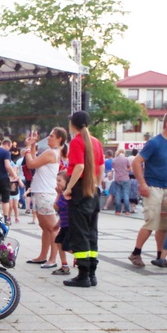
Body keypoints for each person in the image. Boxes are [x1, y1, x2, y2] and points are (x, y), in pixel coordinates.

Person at [128, 111, 167, 268]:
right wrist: (142, 184)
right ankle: (136, 253)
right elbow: (136, 162)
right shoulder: (154, 142)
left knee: (164, 224)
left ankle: (160, 257)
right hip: (153, 186)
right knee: (152, 221)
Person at [62, 111, 105, 288]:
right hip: (92, 190)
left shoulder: (76, 142)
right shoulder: (96, 142)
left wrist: (68, 188)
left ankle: (83, 275)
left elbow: (79, 166)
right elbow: (101, 167)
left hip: (80, 189)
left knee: (80, 233)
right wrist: (96, 185)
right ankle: (92, 274)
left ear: (73, 124)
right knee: (92, 232)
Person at [23, 127, 67, 268]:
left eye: (51, 136)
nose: (48, 137)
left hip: (44, 192)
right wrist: (33, 147)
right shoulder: (54, 152)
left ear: (59, 138)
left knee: (52, 228)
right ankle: (43, 256)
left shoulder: (51, 152)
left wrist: (28, 148)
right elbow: (36, 161)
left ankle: (52, 259)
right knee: (45, 227)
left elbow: (31, 164)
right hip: (42, 191)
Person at [52, 171, 72, 275]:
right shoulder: (63, 194)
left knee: (66, 246)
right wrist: (58, 224)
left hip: (70, 226)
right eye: (56, 181)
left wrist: (59, 194)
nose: (57, 183)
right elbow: (60, 211)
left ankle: (84, 257)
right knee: (59, 242)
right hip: (64, 225)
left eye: (59, 180)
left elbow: (56, 206)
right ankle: (64, 265)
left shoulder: (67, 194)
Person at [110, 149, 132, 215]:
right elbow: (130, 168)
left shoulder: (114, 160)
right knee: (126, 194)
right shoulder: (126, 159)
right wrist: (126, 171)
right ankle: (127, 211)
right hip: (125, 178)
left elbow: (113, 168)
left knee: (118, 195)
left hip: (117, 178)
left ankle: (118, 211)